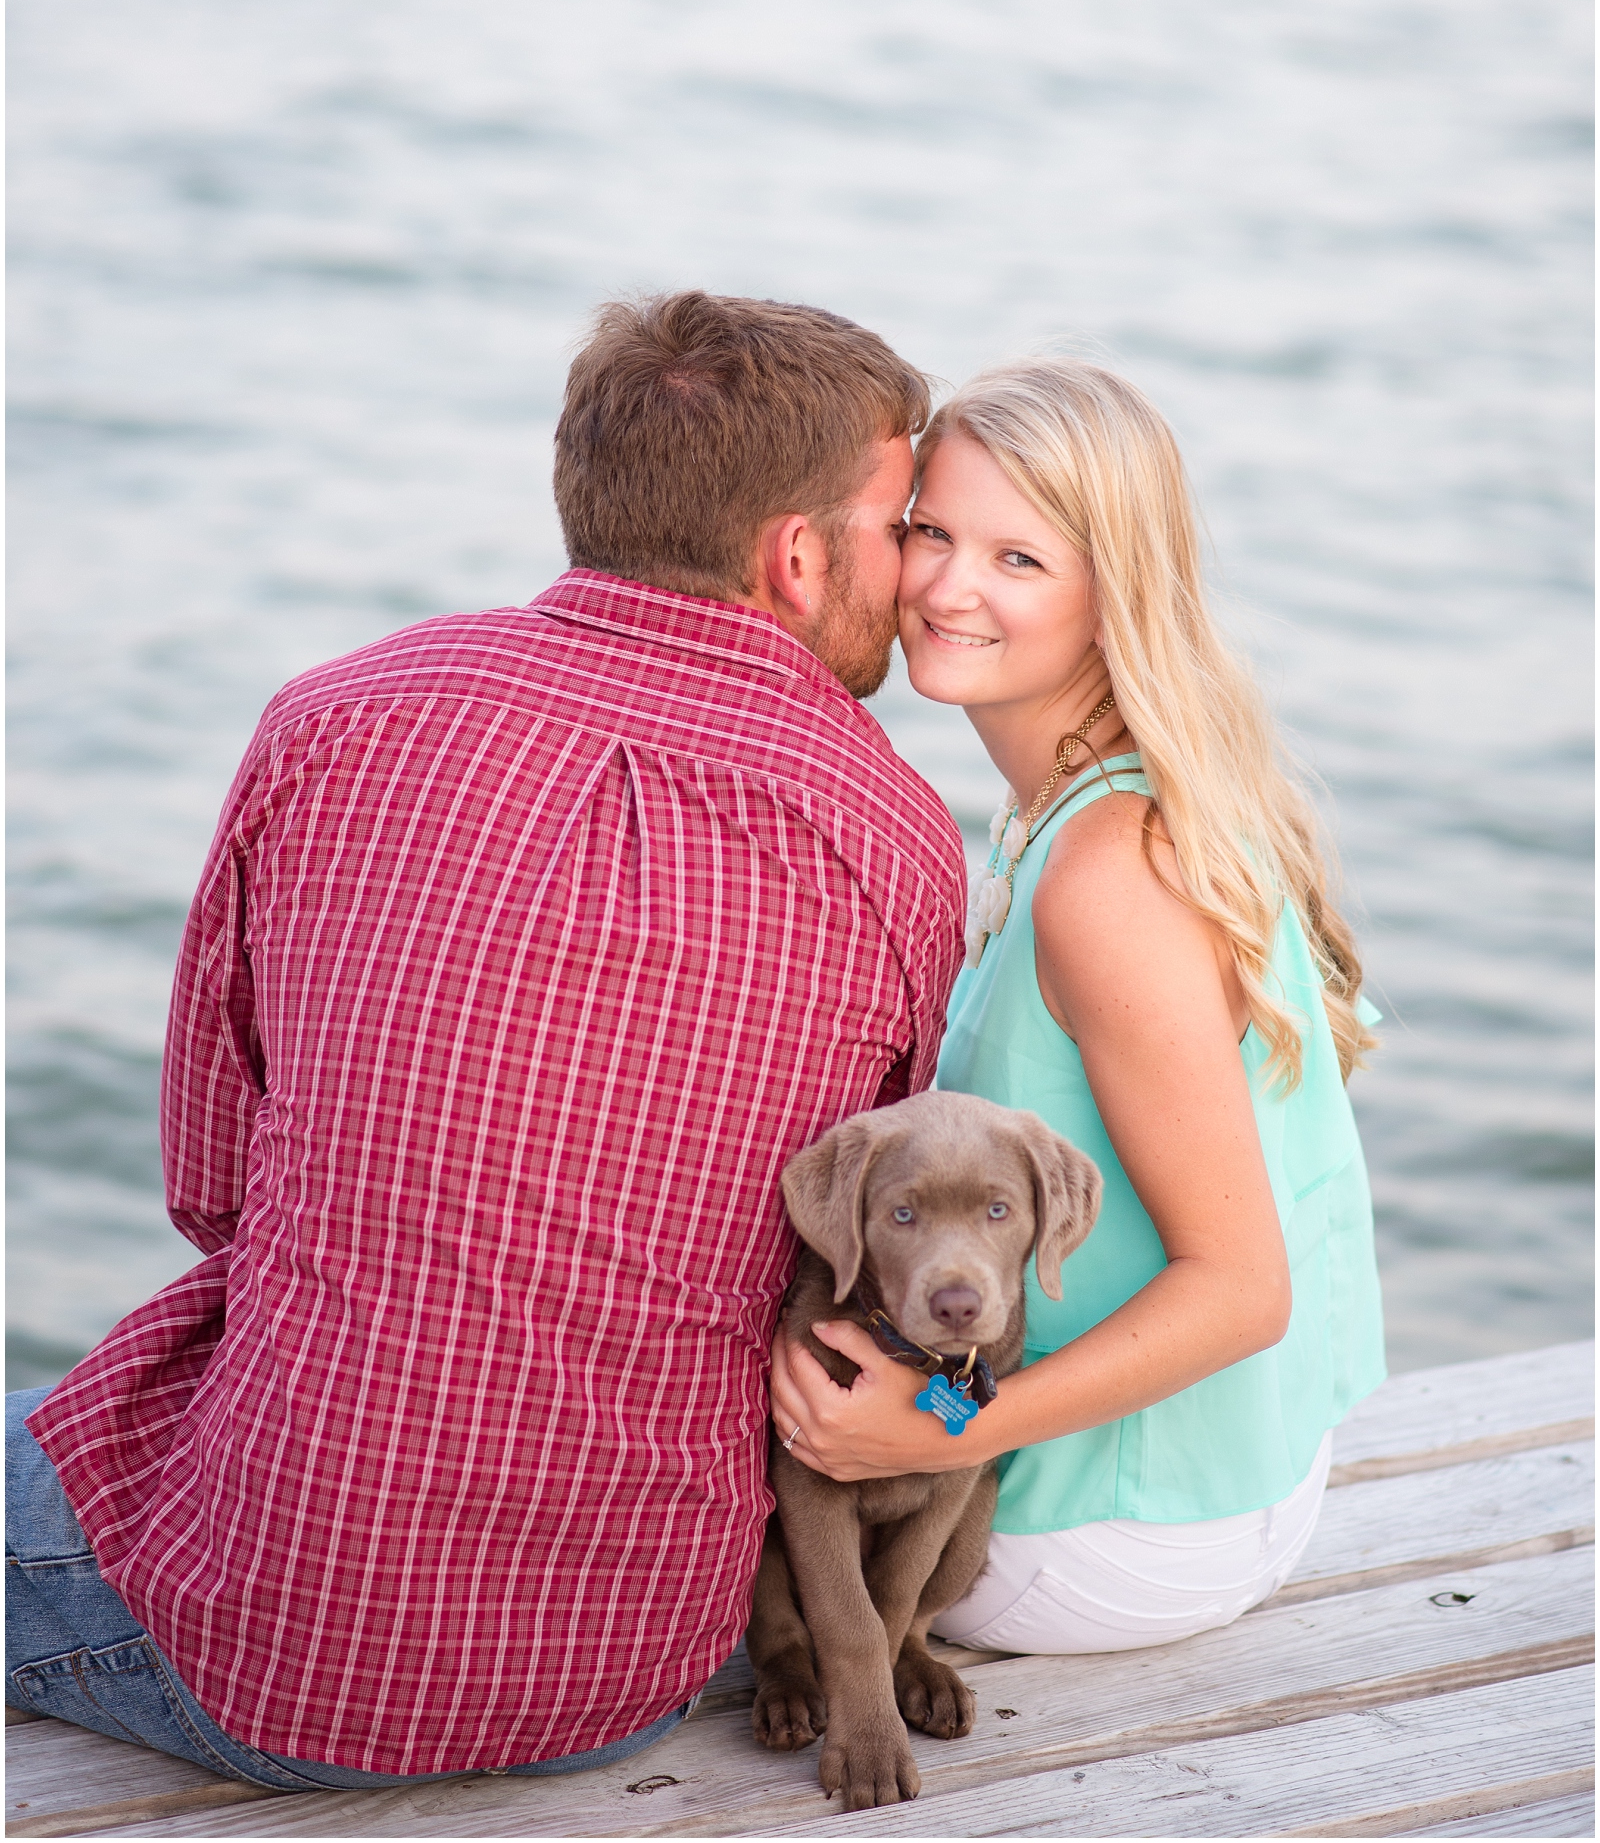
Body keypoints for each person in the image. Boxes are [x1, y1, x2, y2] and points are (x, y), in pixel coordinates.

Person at [7, 292, 968, 1787]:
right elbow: (838, 1265)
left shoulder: (333, 721)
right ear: (797, 555)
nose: (917, 571)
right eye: (904, 523)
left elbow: (210, 1191)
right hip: (631, 1656)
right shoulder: (898, 839)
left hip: (254, 1646)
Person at [772, 356, 1386, 1652]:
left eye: (1019, 559)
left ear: (1115, 594)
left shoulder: (1108, 877)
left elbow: (1244, 1292)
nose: (948, 586)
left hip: (1113, 1529)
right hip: (1223, 1476)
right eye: (931, 532)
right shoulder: (1097, 802)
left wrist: (937, 1424)